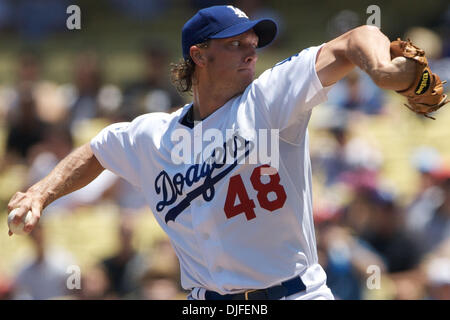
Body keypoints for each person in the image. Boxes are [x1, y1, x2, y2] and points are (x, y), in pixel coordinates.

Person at [6, 5, 438, 300]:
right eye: (235, 43)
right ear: (199, 55)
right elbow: (98, 151)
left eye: (253, 41)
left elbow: (355, 37)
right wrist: (40, 193)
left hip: (293, 292)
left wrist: (380, 67)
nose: (251, 50)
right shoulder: (153, 135)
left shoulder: (270, 99)